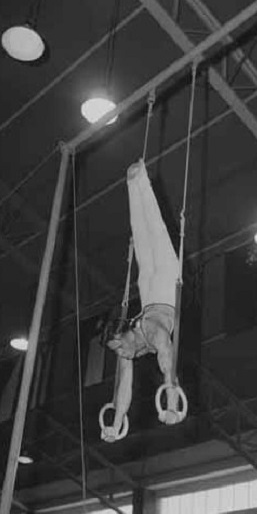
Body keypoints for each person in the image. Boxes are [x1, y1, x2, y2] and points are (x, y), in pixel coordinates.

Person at [102, 160, 186, 442]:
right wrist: (116, 424)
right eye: (118, 349)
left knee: (142, 232)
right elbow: (130, 385)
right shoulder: (146, 341)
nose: (121, 352)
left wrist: (171, 405)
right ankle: (141, 180)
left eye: (118, 345)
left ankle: (133, 182)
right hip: (165, 289)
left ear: (125, 333)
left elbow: (163, 366)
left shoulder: (141, 337)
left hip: (150, 293)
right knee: (154, 230)